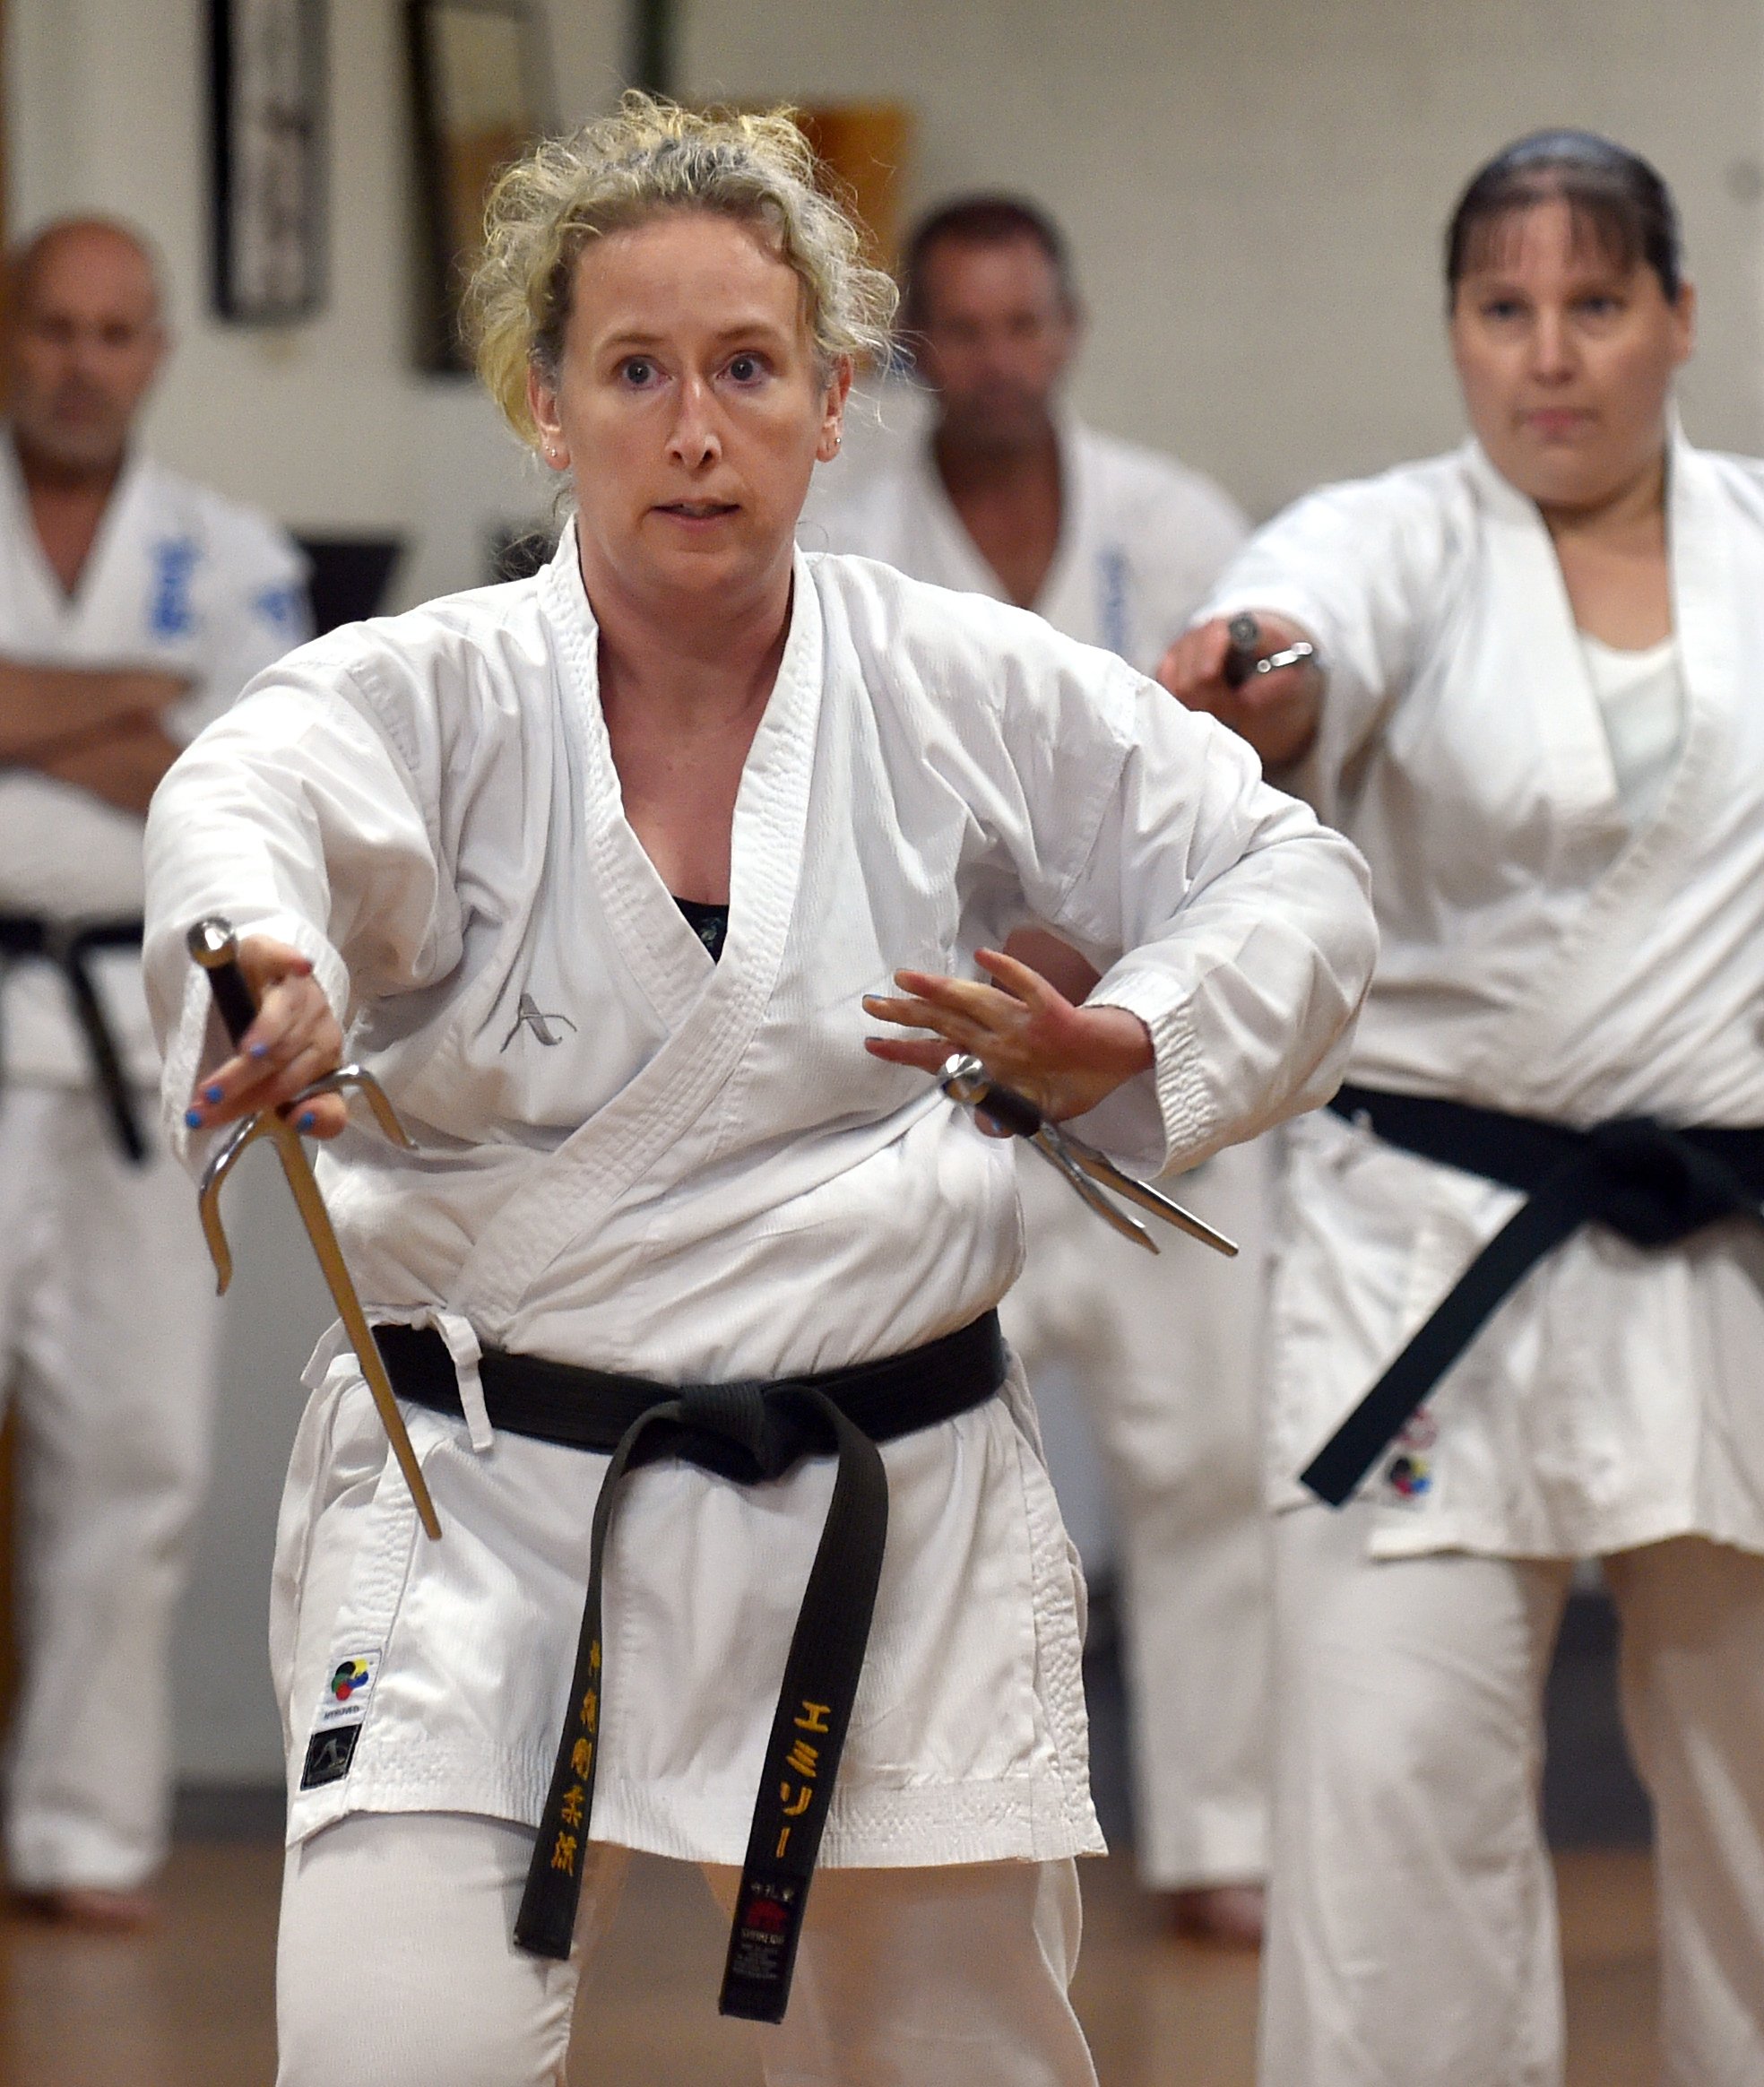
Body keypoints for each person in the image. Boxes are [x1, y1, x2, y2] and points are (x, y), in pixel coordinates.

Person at [143, 100, 1374, 2086]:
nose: (693, 429)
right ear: (547, 409)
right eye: (636, 372)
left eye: (746, 369)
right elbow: (244, 797)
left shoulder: (962, 684)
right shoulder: (433, 692)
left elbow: (1288, 869)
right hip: (488, 1509)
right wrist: (265, 963)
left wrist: (1126, 1037)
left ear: (832, 400)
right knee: (396, 2050)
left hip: (879, 1504)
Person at [1163, 130, 1764, 2085]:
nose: (1552, 356)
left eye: (1596, 304)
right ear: (1455, 334)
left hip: (1726, 1257)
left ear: (1680, 316)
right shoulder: (1390, 539)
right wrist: (1257, 682)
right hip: (1425, 1259)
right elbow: (1294, 637)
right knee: (1396, 1794)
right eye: (1505, 311)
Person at [816, 194, 1272, 1942]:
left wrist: (1082, 957)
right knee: (924, 1478)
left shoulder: (1180, 523)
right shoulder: (849, 545)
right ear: (917, 351)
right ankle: (936, 1827)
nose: (1000, 362)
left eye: (1026, 325)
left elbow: (1237, 804)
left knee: (1209, 1469)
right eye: (966, 331)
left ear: (1066, 329)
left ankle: (1221, 1831)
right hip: (939, 1086)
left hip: (1146, 1083)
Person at [0, 216, 308, 1927]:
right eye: (52, 326)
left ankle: (83, 1832)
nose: (80, 360)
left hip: (136, 1037)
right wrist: (129, 710)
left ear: (155, 352)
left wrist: (26, 706)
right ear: (7, 335)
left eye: (115, 331)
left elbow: (234, 785)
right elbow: (169, 750)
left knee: (132, 1454)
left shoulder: (231, 548)